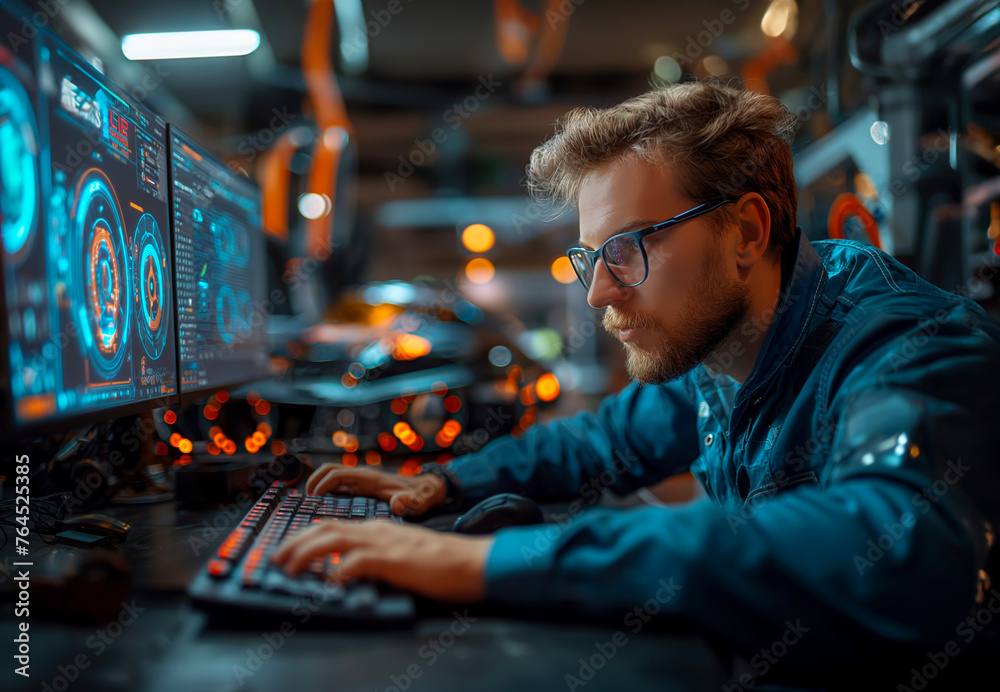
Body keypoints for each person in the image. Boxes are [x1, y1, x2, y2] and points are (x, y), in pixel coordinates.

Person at [271, 81, 1000, 683]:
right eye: (593, 260)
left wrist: (496, 561)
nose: (597, 294)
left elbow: (898, 544)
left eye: (624, 250)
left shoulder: (903, 348)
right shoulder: (725, 353)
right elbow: (603, 439)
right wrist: (451, 484)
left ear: (746, 233)